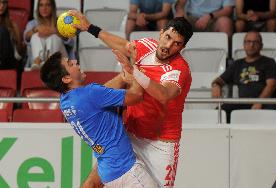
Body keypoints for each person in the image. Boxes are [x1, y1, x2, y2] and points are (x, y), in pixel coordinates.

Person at [69, 10, 193, 187]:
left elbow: (163, 95)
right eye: (167, 37)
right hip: (128, 136)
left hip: (161, 145)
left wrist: (134, 70)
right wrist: (90, 27)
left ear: (182, 48)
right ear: (161, 32)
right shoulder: (147, 46)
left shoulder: (179, 69)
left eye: (176, 43)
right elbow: (124, 45)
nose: (168, 45)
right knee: (92, 184)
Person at [40, 51, 158, 188]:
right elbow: (136, 95)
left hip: (108, 174)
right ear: (66, 78)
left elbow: (102, 93)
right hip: (127, 170)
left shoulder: (66, 101)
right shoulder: (91, 93)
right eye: (69, 63)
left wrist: (122, 76)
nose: (75, 61)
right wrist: (135, 70)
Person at [211, 31, 276, 122]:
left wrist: (259, 102)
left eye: (255, 42)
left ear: (261, 45)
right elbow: (219, 80)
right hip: (243, 102)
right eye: (248, 41)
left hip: (266, 102)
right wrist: (216, 85)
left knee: (273, 111)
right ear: (244, 45)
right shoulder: (237, 64)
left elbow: (271, 85)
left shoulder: (269, 62)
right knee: (220, 112)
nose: (251, 45)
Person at [23, 0, 73, 70]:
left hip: (60, 63)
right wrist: (35, 29)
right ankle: (38, 61)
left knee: (54, 37)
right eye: (41, 5)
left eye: (48, 5)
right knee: (35, 36)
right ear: (38, 8)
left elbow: (70, 41)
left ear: (52, 7)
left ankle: (47, 62)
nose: (44, 8)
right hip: (38, 64)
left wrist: (54, 31)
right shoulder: (32, 23)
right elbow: (26, 38)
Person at [0, 0, 25, 69]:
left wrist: (15, 41)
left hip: (9, 61)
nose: (2, 6)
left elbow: (19, 53)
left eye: (4, 2)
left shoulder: (12, 25)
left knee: (2, 30)